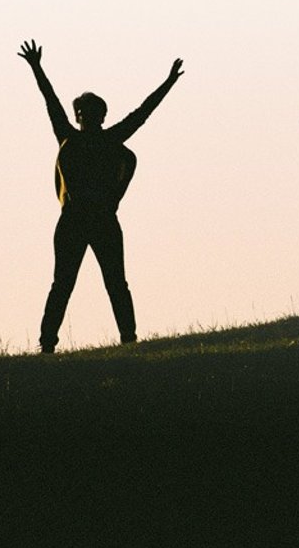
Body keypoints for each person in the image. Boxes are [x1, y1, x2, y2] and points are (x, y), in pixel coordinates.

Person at [17, 40, 183, 353]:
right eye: (83, 112)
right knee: (72, 284)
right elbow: (52, 101)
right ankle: (51, 343)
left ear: (100, 116)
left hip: (95, 220)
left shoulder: (93, 139)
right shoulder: (86, 139)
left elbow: (142, 112)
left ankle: (123, 339)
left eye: (91, 112)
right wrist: (37, 68)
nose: (86, 117)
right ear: (79, 115)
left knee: (107, 283)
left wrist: (169, 82)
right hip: (81, 220)